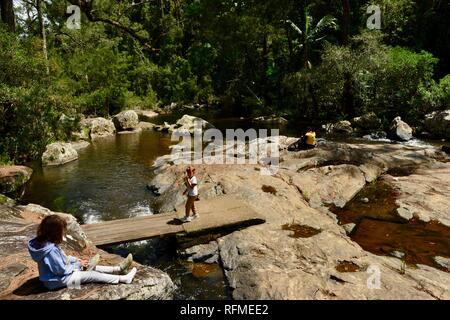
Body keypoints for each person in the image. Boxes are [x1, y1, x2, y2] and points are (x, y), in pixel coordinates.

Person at [28, 215, 137, 290]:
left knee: (87, 265)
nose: (63, 233)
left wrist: (76, 260)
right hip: (56, 281)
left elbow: (62, 259)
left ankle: (118, 269)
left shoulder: (45, 243)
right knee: (92, 275)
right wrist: (76, 266)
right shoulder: (50, 250)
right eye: (62, 231)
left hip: (57, 278)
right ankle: (123, 279)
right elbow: (61, 270)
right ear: (55, 233)